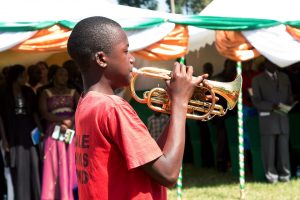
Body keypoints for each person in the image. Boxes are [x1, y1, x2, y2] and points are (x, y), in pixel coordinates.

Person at [67, 16, 208, 200]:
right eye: (125, 51)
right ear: (102, 59)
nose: (132, 59)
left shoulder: (86, 103)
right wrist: (180, 103)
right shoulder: (114, 108)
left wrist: (177, 107)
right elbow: (169, 174)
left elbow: (153, 160)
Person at [0, 64, 41, 200]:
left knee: (33, 162)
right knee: (18, 165)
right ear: (17, 77)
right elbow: (0, 118)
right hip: (13, 131)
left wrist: (40, 131)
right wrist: (5, 139)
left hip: (29, 129)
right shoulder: (3, 92)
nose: (26, 78)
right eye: (24, 75)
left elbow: (34, 113)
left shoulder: (28, 91)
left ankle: (36, 196)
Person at [39, 67, 80, 200]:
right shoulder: (46, 92)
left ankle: (69, 195)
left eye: (66, 74)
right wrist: (63, 121)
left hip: (70, 131)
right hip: (54, 131)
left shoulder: (73, 92)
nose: (64, 77)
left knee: (70, 162)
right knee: (54, 164)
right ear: (53, 76)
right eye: (61, 74)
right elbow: (44, 113)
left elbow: (81, 108)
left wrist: (70, 122)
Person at [252, 59, 293, 183]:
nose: (274, 64)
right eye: (271, 62)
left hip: (283, 118)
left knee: (284, 149)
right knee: (268, 150)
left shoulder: (284, 77)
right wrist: (272, 106)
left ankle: (285, 175)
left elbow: (289, 96)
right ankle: (271, 176)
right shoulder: (257, 80)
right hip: (268, 119)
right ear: (265, 64)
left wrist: (290, 104)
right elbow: (256, 101)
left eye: (275, 61)